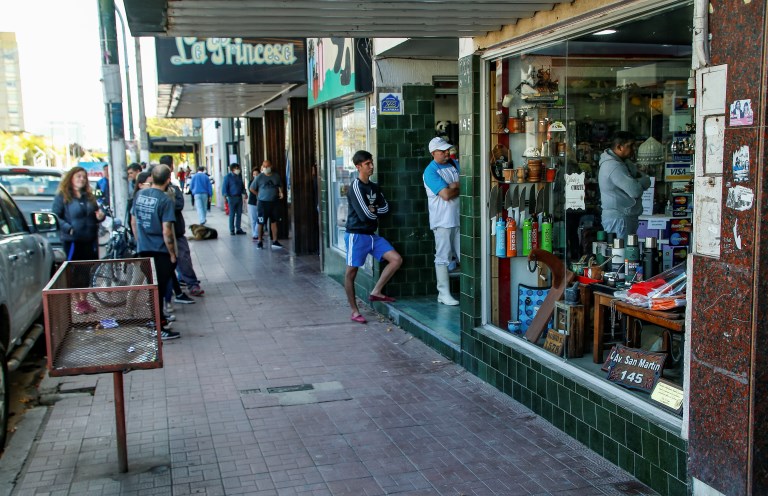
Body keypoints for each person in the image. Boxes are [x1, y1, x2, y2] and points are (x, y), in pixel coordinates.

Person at [344, 150, 403, 324]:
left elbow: (386, 208)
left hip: (371, 235)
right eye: (367, 164)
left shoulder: (374, 187)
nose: (371, 166)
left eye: (371, 163)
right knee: (351, 273)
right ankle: (354, 311)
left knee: (396, 259)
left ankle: (376, 292)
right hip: (356, 235)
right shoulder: (356, 187)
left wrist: (373, 210)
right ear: (358, 167)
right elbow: (364, 216)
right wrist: (373, 211)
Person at [130, 165, 180, 340]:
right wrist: (172, 253)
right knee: (159, 289)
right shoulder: (165, 200)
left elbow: (134, 222)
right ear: (168, 180)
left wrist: (139, 241)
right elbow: (167, 231)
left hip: (143, 249)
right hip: (160, 251)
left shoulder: (139, 195)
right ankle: (159, 328)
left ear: (152, 176)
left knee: (152, 288)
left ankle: (158, 321)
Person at [52, 167, 107, 315]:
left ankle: (84, 301)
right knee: (74, 272)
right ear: (71, 178)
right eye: (78, 176)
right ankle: (78, 302)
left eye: (84, 177)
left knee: (87, 271)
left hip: (90, 240)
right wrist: (68, 228)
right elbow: (56, 216)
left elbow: (97, 214)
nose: (81, 179)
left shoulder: (89, 196)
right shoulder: (63, 197)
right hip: (73, 241)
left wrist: (100, 217)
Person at [423, 136, 460, 306]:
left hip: (459, 218)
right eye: (442, 151)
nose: (446, 153)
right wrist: (457, 186)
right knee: (443, 256)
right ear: (433, 153)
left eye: (447, 150)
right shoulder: (430, 171)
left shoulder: (454, 164)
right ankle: (443, 293)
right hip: (442, 220)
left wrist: (454, 186)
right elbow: (445, 195)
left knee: (464, 254)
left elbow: (466, 183)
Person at [159, 155, 202, 302]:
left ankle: (190, 283)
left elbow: (179, 204)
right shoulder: (153, 192)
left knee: (183, 257)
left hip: (176, 230)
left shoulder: (174, 189)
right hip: (161, 234)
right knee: (168, 262)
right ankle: (176, 289)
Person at [598, 131, 651, 241]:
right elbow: (635, 191)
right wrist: (637, 182)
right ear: (619, 147)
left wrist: (637, 181)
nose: (634, 149)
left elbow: (647, 180)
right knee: (622, 251)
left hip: (625, 217)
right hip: (619, 219)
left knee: (629, 250)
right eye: (630, 145)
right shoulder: (613, 165)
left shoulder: (625, 163)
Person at [252, 159, 284, 249]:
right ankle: (259, 241)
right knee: (261, 222)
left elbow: (280, 185)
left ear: (271, 166)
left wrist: (281, 192)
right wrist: (258, 195)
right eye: (264, 166)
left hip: (274, 202)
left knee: (274, 221)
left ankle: (275, 241)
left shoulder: (276, 176)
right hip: (263, 203)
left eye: (267, 166)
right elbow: (252, 188)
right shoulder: (260, 177)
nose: (266, 168)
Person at [222, 163, 247, 235]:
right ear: (232, 169)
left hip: (239, 197)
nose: (238, 170)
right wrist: (225, 197)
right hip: (231, 197)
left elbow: (242, 186)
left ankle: (238, 228)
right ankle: (232, 229)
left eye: (238, 168)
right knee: (232, 214)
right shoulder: (228, 177)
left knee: (239, 214)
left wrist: (245, 193)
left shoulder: (239, 176)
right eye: (237, 168)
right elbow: (224, 188)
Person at [247, 166, 261, 241]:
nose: (255, 175)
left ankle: (257, 233)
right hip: (252, 202)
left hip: (260, 202)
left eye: (257, 174)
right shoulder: (251, 182)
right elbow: (251, 189)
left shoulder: (261, 182)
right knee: (253, 220)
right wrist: (258, 194)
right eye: (254, 174)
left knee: (259, 219)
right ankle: (255, 234)